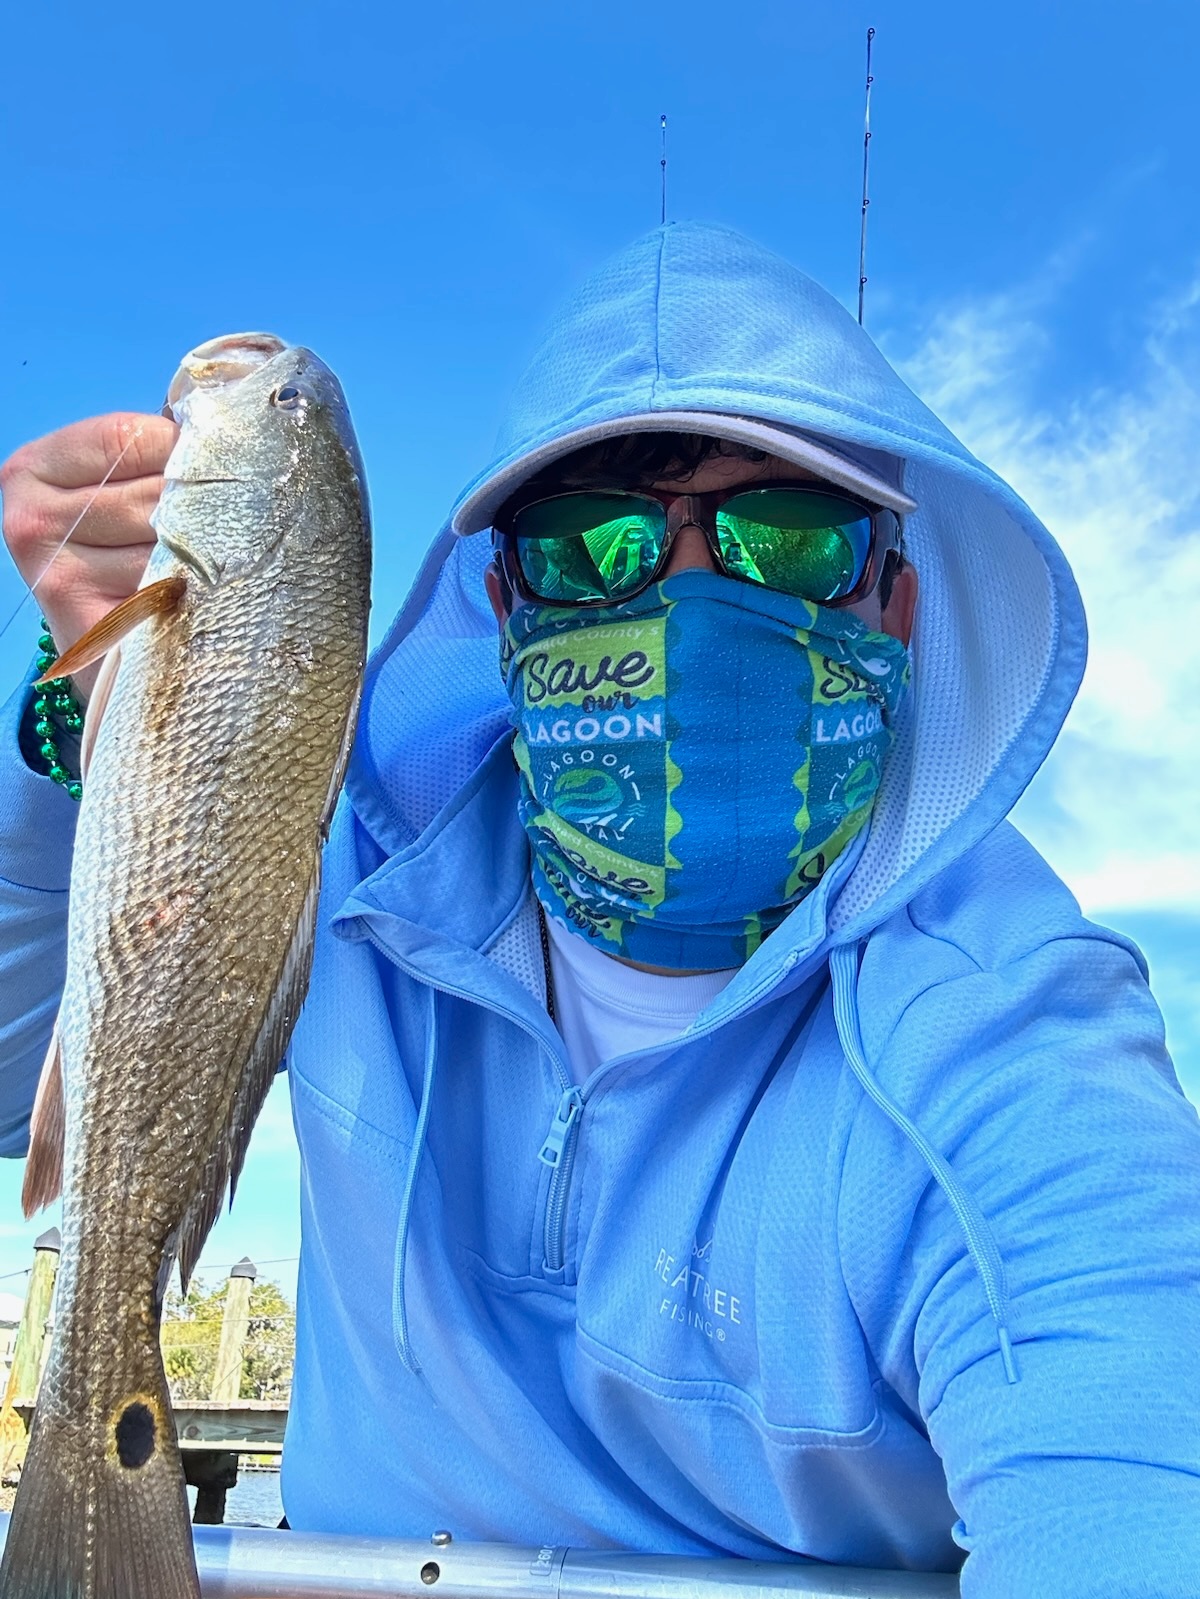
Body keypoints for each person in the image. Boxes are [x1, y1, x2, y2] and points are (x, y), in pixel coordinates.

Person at [2, 220, 1199, 1597]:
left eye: (792, 536)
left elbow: (1134, 1456)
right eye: (593, 546)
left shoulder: (1010, 1040)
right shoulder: (332, 863)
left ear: (900, 600)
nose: (690, 590)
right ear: (505, 601)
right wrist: (81, 730)